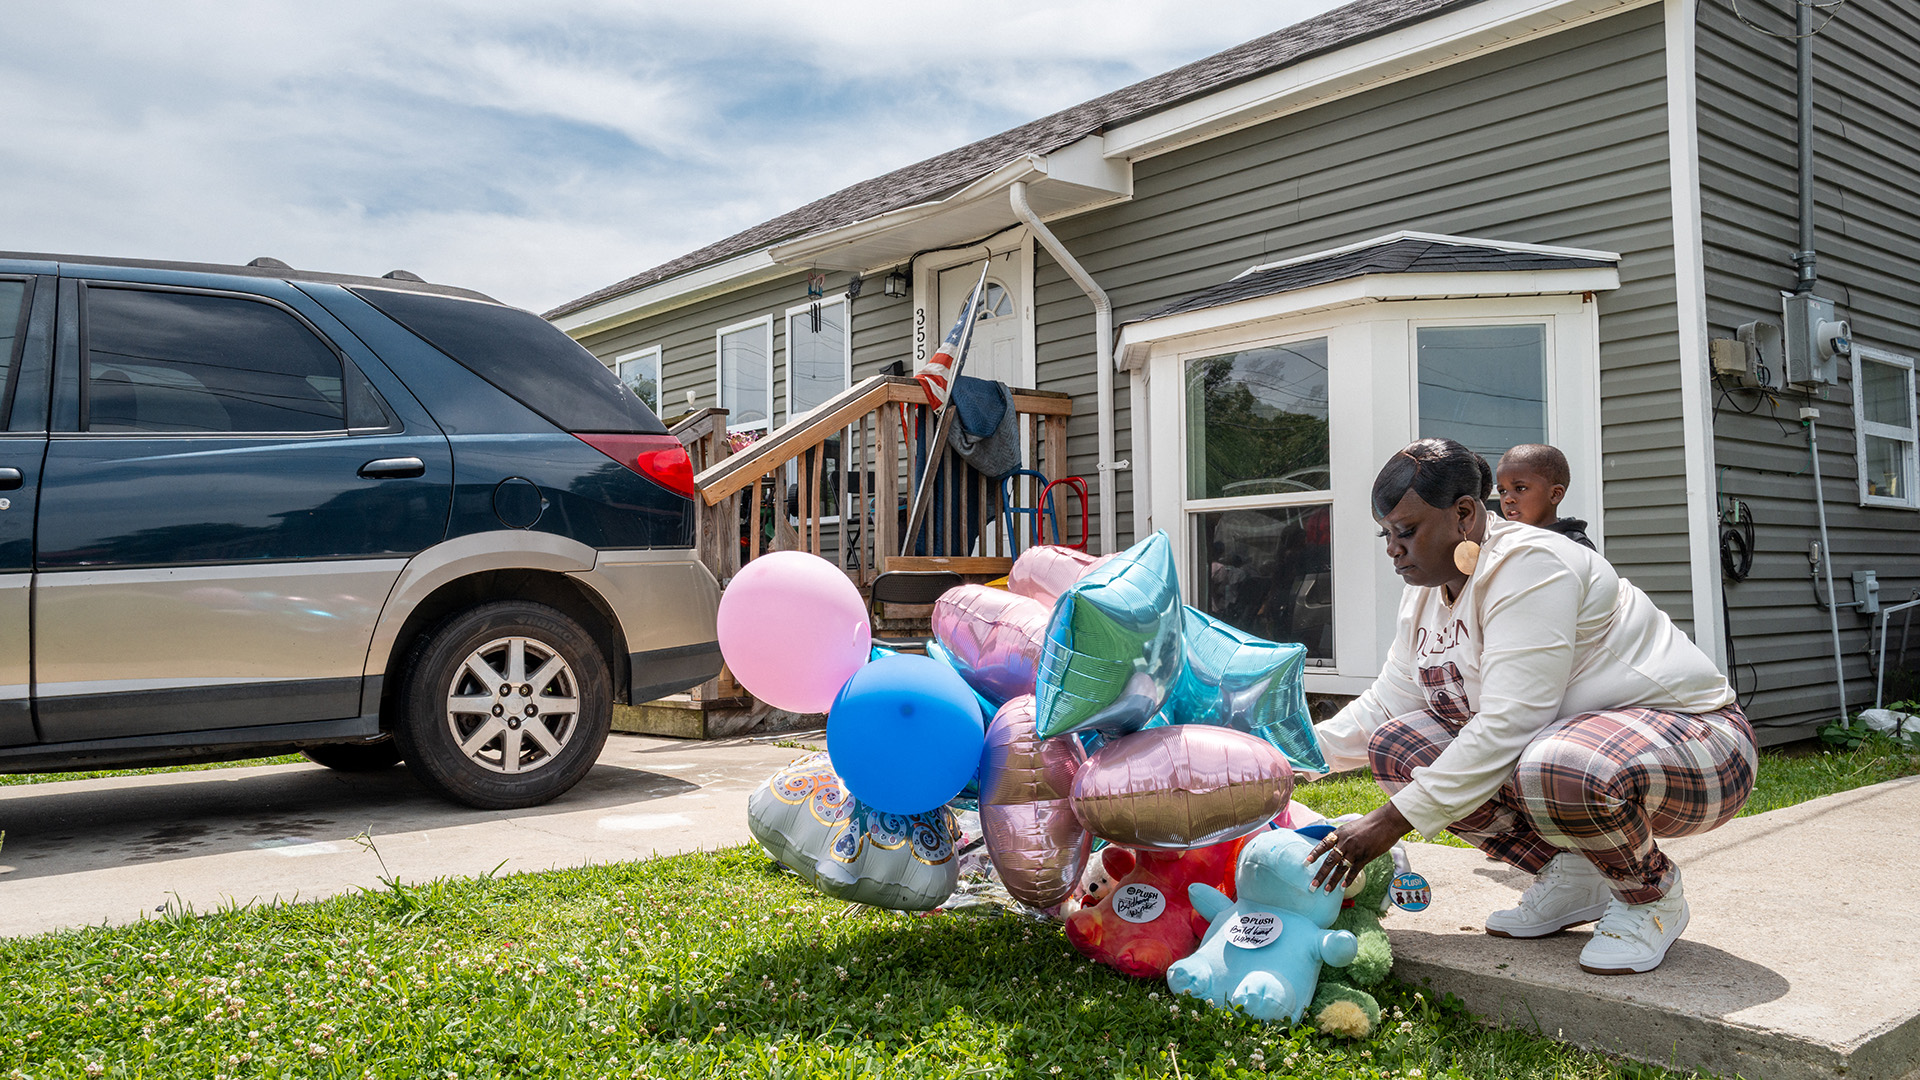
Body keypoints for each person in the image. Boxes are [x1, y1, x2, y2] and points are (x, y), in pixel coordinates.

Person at [1306, 438, 1754, 976]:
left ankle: (1650, 896)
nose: (1392, 550)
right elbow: (1387, 704)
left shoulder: (1533, 564)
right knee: (1399, 744)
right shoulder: (1425, 590)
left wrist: (1386, 823)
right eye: (1387, 535)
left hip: (1704, 743)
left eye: (1406, 531)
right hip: (1574, 746)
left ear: (1465, 514)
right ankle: (1575, 878)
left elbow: (1511, 722)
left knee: (1554, 763)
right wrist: (1282, 760)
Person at [1494, 443, 1594, 549]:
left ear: (1555, 494)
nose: (1508, 499)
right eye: (1502, 491)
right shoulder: (1502, 543)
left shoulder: (1575, 545)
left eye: (1520, 488)